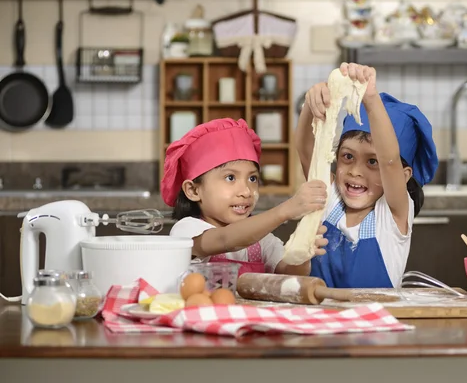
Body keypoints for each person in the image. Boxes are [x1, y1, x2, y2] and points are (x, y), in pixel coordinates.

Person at [295, 62, 439, 288]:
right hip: (323, 320)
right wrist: (309, 107)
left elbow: (390, 161)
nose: (355, 171)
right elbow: (306, 152)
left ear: (404, 176)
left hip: (377, 320)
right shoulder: (329, 200)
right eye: (347, 157)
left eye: (372, 162)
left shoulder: (391, 215)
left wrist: (370, 100)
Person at [161, 117, 329, 276]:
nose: (247, 191)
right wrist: (285, 210)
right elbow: (225, 239)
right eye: (230, 178)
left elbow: (288, 273)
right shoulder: (186, 231)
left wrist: (303, 252)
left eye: (252, 178)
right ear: (193, 190)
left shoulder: (262, 240)